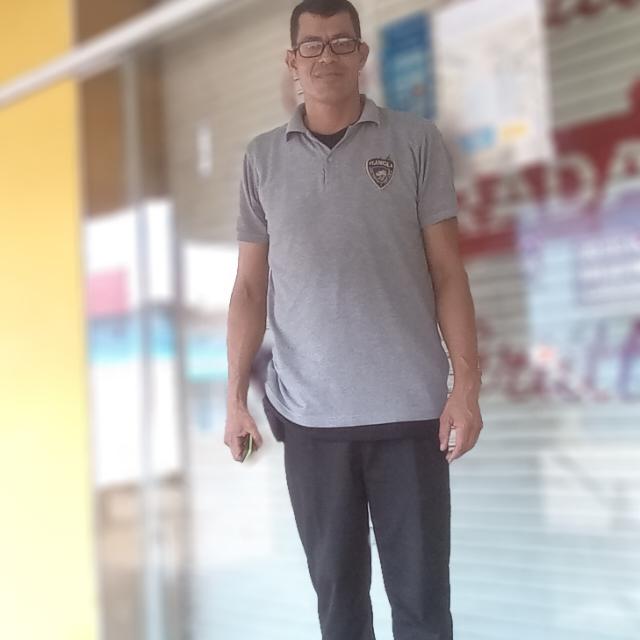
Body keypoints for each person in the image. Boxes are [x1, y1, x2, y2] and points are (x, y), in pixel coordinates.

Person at [224, 1, 483, 638]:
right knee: (339, 610)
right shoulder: (261, 159)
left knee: (423, 608)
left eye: (342, 42)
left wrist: (467, 388)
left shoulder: (416, 141)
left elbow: (448, 272)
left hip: (411, 414)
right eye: (312, 45)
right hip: (311, 424)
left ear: (362, 54)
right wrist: (234, 400)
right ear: (292, 61)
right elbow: (250, 288)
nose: (327, 57)